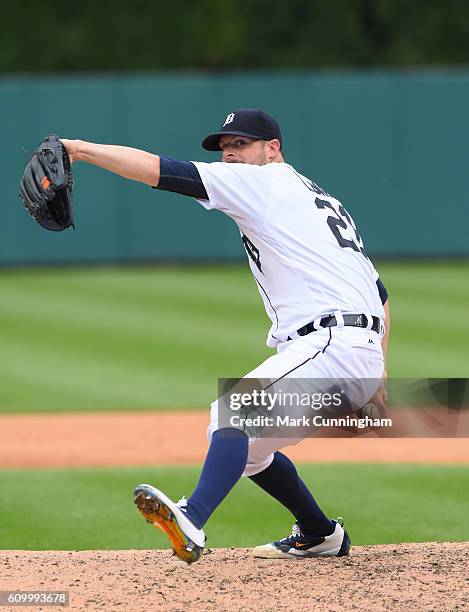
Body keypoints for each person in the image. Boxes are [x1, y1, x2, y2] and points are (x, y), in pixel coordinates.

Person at [61, 108, 390, 564]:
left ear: (272, 150)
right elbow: (380, 291)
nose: (230, 155)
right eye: (225, 147)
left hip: (332, 345)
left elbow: (160, 171)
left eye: (241, 144)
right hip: (352, 349)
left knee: (230, 413)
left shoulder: (264, 183)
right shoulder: (319, 200)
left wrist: (78, 150)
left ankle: (192, 518)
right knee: (249, 450)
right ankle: (320, 533)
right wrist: (379, 370)